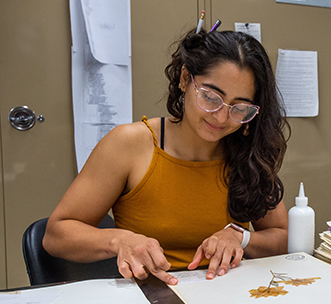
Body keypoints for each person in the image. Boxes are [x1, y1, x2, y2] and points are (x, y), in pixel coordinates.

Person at [43, 27, 290, 285]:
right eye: (209, 96)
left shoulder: (247, 151)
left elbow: (283, 237)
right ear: (185, 78)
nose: (220, 117)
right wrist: (120, 240)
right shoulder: (130, 144)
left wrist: (241, 237)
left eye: (239, 108)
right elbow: (56, 235)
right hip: (149, 303)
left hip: (229, 297)